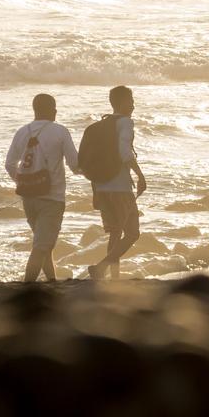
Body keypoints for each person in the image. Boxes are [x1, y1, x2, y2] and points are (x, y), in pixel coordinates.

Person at [4, 93, 79, 282]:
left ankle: (51, 282)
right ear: (53, 110)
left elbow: (9, 164)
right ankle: (27, 288)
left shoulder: (22, 131)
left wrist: (21, 180)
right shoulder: (60, 131)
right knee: (41, 247)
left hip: (28, 197)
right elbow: (75, 164)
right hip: (51, 198)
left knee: (44, 245)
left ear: (34, 110)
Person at [88, 85, 147, 279]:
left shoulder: (103, 125)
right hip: (120, 188)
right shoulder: (125, 123)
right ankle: (101, 267)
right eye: (131, 100)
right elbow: (124, 151)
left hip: (101, 187)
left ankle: (114, 278)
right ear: (122, 102)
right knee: (132, 233)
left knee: (115, 233)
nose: (133, 104)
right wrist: (140, 175)